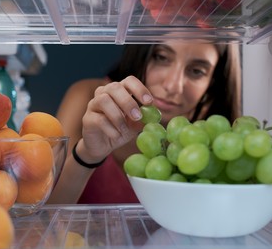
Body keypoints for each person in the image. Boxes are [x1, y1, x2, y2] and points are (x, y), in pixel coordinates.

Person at [47, 40, 242, 204]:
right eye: (162, 57)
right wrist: (87, 154)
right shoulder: (89, 98)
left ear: (213, 82)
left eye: (197, 71)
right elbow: (45, 215)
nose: (172, 85)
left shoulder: (211, 135)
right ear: (141, 53)